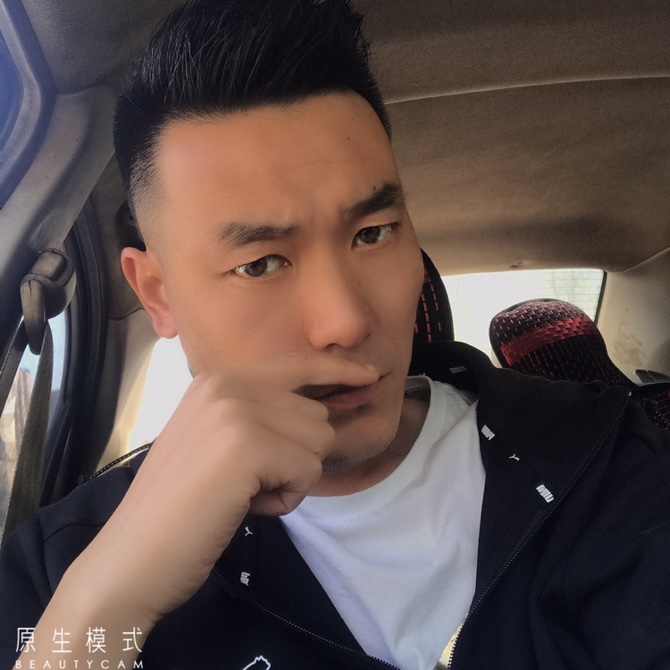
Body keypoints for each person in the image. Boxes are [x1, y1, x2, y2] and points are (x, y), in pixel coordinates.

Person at [1, 1, 670, 668]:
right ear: (157, 293)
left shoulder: (610, 455)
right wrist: (104, 600)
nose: (345, 320)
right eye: (259, 264)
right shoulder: (57, 567)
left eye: (372, 233)